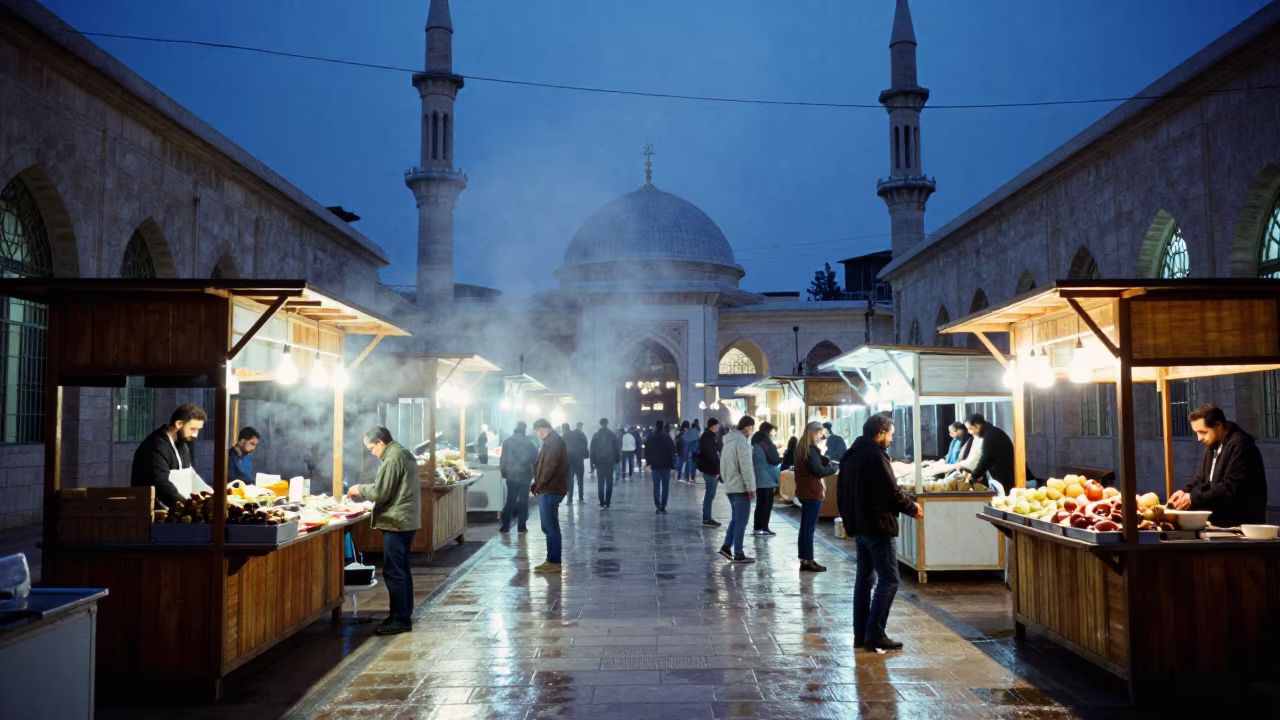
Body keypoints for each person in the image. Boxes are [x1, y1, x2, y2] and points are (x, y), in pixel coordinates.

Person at [838, 414, 922, 651]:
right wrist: (912, 507)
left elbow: (841, 495)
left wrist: (848, 522)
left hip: (859, 527)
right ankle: (875, 633)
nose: (891, 439)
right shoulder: (876, 455)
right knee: (890, 579)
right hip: (877, 526)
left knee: (864, 580)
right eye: (890, 434)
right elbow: (891, 492)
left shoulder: (850, 455)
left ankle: (861, 634)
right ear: (880, 433)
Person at [348, 426, 421, 635]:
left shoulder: (392, 457)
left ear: (380, 442)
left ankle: (400, 620)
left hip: (396, 522)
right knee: (402, 570)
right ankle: (401, 614)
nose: (372, 452)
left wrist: (359, 489)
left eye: (372, 448)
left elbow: (381, 492)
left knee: (394, 571)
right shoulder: (402, 452)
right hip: (405, 520)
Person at [1168, 404, 1267, 527]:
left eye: (1202, 432)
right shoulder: (1213, 444)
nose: (1199, 438)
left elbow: (1230, 488)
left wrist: (1192, 498)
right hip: (1219, 522)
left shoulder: (1241, 445)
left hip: (1241, 525)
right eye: (1196, 433)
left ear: (1218, 425)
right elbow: (1201, 479)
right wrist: (1185, 491)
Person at [130, 404, 207, 509]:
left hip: (177, 509)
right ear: (179, 423)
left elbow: (191, 475)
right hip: (152, 513)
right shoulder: (155, 446)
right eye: (193, 429)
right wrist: (187, 507)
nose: (195, 435)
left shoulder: (182, 444)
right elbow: (161, 485)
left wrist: (211, 496)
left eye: (198, 430)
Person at [794, 421, 838, 572]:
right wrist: (833, 468)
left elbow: (813, 465)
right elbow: (818, 471)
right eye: (820, 433)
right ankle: (809, 560)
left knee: (805, 527)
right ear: (814, 432)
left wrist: (822, 459)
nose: (822, 436)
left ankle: (805, 559)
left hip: (804, 491)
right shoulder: (810, 449)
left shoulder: (801, 448)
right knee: (809, 528)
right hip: (812, 491)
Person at [717, 415, 758, 564]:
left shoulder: (728, 441)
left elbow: (722, 464)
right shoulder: (741, 442)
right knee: (742, 520)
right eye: (751, 428)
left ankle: (727, 547)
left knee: (736, 518)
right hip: (740, 487)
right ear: (747, 427)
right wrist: (751, 488)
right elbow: (746, 467)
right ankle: (739, 553)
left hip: (730, 486)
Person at [531, 418, 569, 572]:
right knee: (548, 527)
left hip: (550, 489)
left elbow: (549, 468)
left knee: (550, 527)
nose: (536, 434)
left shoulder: (553, 442)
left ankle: (554, 562)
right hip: (547, 489)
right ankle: (551, 560)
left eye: (536, 431)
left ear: (541, 429)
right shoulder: (551, 441)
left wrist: (538, 486)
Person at [498, 421, 537, 534]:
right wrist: (535, 474)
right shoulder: (529, 443)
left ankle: (505, 527)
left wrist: (504, 472)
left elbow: (503, 459)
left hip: (511, 475)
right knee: (523, 501)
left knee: (510, 500)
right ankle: (522, 526)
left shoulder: (507, 442)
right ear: (524, 429)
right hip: (525, 476)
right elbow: (535, 459)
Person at [965, 413, 1015, 488]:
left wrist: (974, 476)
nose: (968, 432)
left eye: (970, 428)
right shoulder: (992, 432)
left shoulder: (991, 435)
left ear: (978, 426)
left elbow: (986, 457)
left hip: (1005, 476)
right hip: (1003, 475)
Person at [751, 421, 782, 536]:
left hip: (758, 477)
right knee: (767, 504)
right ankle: (764, 527)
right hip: (768, 478)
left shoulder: (755, 443)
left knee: (760, 504)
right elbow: (774, 460)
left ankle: (757, 528)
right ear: (768, 431)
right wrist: (783, 458)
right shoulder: (767, 444)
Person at [646, 419, 677, 513]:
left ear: (656, 426)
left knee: (656, 487)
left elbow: (647, 451)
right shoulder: (667, 437)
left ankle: (657, 505)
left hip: (655, 465)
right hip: (666, 465)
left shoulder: (651, 437)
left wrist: (649, 462)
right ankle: (663, 505)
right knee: (665, 486)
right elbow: (672, 451)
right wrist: (673, 464)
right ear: (662, 426)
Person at [697, 418, 723, 526]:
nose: (718, 428)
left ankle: (707, 517)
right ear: (712, 426)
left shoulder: (709, 436)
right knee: (710, 494)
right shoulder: (708, 437)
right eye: (716, 426)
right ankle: (707, 518)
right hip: (710, 469)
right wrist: (718, 464)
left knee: (710, 494)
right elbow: (711, 454)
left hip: (711, 468)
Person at [590, 418, 621, 509]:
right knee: (609, 482)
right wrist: (617, 459)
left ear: (600, 424)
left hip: (599, 462)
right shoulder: (612, 435)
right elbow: (616, 448)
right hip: (609, 461)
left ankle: (601, 502)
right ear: (607, 424)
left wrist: (592, 462)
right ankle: (607, 502)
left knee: (600, 483)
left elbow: (592, 450)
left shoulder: (596, 435)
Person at [565, 422, 590, 505]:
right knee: (580, 479)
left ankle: (570, 498)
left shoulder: (566, 435)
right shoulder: (580, 435)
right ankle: (581, 497)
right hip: (579, 459)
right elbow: (585, 444)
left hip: (569, 460)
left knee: (570, 479)